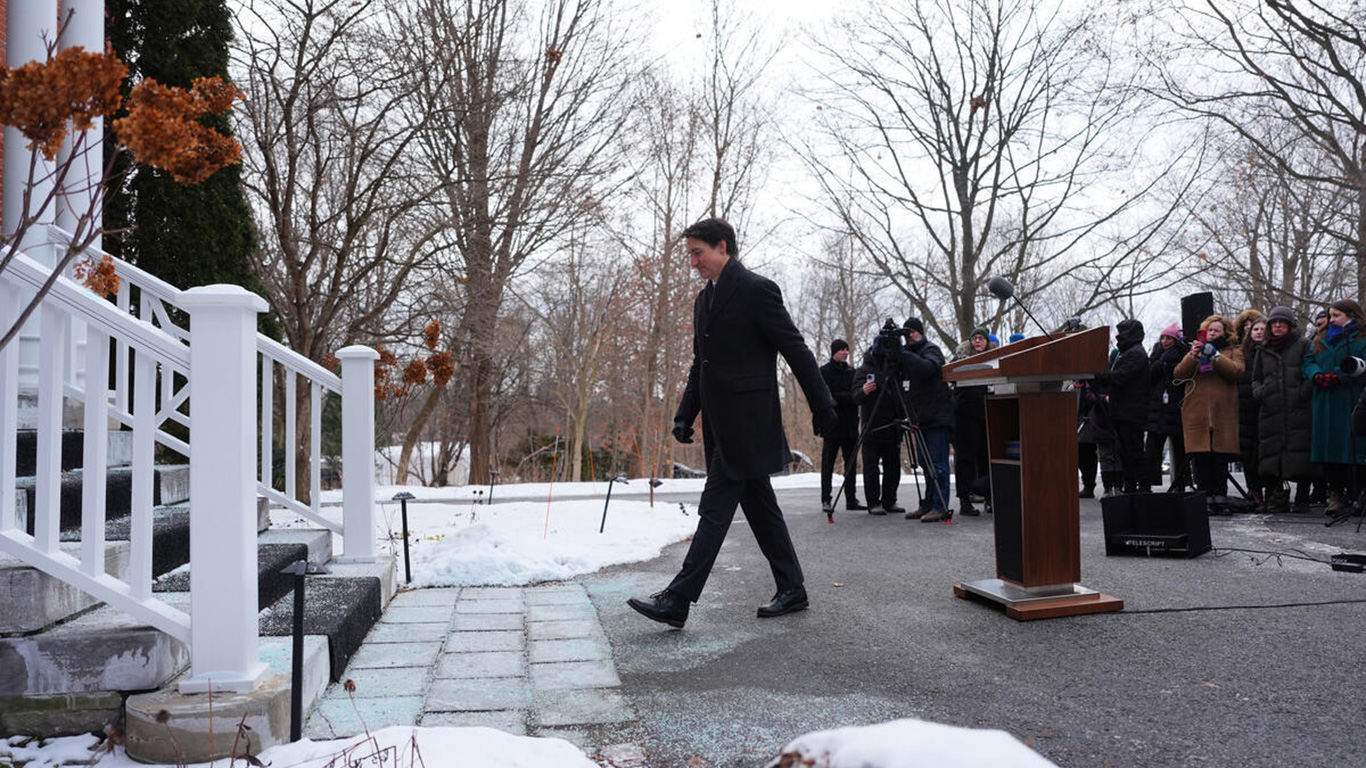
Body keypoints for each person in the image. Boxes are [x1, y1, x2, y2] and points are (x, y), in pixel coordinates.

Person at [628, 218, 836, 629]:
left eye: (697, 253)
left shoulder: (757, 290)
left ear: (722, 247)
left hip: (750, 423)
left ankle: (679, 598)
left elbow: (794, 349)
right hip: (722, 427)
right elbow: (699, 365)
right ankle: (792, 587)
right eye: (689, 254)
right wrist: (686, 413)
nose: (693, 262)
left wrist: (823, 405)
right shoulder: (704, 300)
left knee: (715, 508)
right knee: (761, 509)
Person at [1301, 299, 1366, 516]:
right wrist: (1316, 375)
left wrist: (1339, 374)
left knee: (1354, 447)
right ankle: (1335, 494)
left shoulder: (1361, 337)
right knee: (1330, 448)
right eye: (1330, 316)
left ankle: (1358, 494)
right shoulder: (1320, 337)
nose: (1332, 320)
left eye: (1336, 315)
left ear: (1351, 315)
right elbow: (1308, 360)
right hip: (1325, 399)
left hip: (1350, 397)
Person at [1173, 315, 1244, 499]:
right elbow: (1179, 374)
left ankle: (1220, 497)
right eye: (1210, 330)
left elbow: (1236, 372)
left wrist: (1216, 356)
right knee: (1201, 459)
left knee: (1219, 459)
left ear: (1225, 332)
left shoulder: (1233, 351)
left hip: (1222, 415)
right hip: (1198, 414)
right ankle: (1204, 498)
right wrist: (1192, 356)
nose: (1212, 333)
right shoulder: (1194, 351)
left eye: (1217, 330)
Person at [1252, 307, 1313, 514]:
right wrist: (1261, 393)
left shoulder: (1304, 345)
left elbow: (1309, 372)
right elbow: (1256, 378)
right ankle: (1273, 498)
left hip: (1298, 409)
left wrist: (1302, 393)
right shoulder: (1263, 349)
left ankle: (1303, 499)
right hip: (1271, 410)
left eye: (1282, 322)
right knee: (1270, 455)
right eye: (1274, 322)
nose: (1277, 325)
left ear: (1290, 325)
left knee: (1301, 453)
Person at [898, 317, 955, 522]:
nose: (909, 336)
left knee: (938, 464)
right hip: (920, 418)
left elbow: (928, 369)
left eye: (912, 332)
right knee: (925, 462)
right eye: (906, 334)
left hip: (937, 417)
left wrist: (904, 354)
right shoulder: (907, 355)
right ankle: (928, 504)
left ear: (920, 332)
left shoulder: (932, 350)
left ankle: (940, 506)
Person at [852, 322, 909, 516]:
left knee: (893, 466)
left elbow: (905, 390)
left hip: (894, 424)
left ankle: (889, 500)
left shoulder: (897, 367)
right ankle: (873, 502)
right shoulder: (865, 369)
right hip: (872, 425)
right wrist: (863, 390)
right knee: (871, 467)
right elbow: (855, 396)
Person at [1091, 319, 1150, 493]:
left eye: (1121, 331)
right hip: (1123, 411)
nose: (1118, 335)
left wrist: (1098, 375)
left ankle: (1142, 487)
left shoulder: (1136, 354)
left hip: (1131, 412)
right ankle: (1130, 485)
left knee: (1134, 451)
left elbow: (1121, 377)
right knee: (1125, 452)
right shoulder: (1126, 353)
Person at [951, 327, 997, 516]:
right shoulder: (960, 360)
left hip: (989, 415)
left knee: (987, 458)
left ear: (987, 342)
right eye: (974, 338)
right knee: (965, 460)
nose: (978, 341)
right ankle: (965, 500)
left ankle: (989, 497)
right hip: (965, 417)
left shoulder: (994, 360)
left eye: (981, 338)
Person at [818, 339, 865, 514]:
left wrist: (846, 398)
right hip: (832, 425)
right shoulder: (823, 372)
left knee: (851, 463)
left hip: (851, 424)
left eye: (847, 349)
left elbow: (856, 395)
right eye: (842, 349)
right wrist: (849, 397)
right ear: (834, 352)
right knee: (828, 464)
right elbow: (827, 397)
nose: (846, 352)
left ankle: (851, 499)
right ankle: (826, 499)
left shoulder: (853, 372)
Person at [1144, 323, 1189, 492]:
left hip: (1176, 406)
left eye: (1168, 338)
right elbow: (1148, 376)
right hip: (1157, 408)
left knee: (1179, 448)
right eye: (1162, 337)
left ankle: (1180, 483)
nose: (1164, 341)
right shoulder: (1156, 355)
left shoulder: (1182, 355)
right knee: (1152, 449)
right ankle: (1147, 483)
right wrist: (1162, 362)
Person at [1236, 313, 1266, 507]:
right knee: (1248, 453)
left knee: (1266, 451)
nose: (1256, 332)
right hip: (1245, 407)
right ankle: (1254, 490)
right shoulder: (1242, 353)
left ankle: (1272, 490)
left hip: (1266, 406)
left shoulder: (1271, 351)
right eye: (1254, 329)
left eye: (1261, 329)